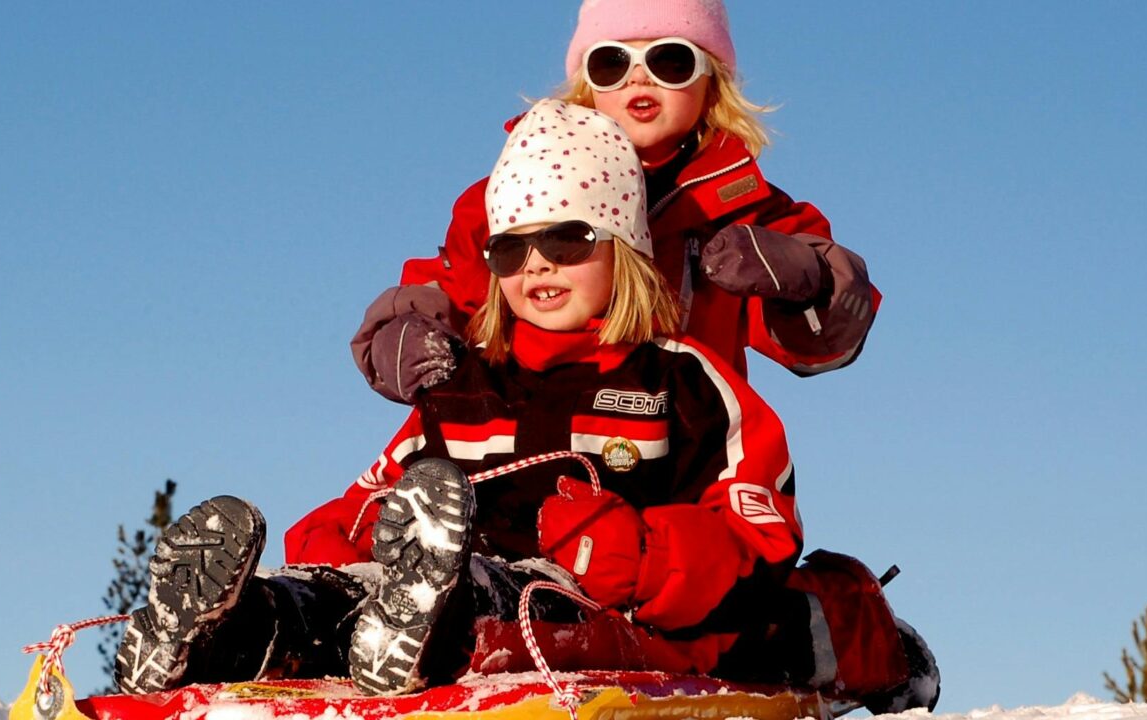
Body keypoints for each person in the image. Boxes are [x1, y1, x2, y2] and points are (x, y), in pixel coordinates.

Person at [114, 101, 936, 713]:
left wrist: (639, 553)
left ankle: (420, 618)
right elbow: (364, 499)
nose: (538, 263)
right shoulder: (466, 386)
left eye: (569, 239)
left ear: (624, 251)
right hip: (425, 586)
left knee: (502, 604)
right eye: (512, 247)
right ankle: (232, 628)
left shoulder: (683, 382)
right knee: (339, 597)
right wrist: (344, 542)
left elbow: (758, 543)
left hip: (587, 606)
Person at [353, 0, 880, 406]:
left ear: (711, 80)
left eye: (671, 59)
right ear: (587, 83)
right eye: (611, 62)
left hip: (683, 441)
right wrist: (405, 332)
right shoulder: (523, 189)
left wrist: (806, 280)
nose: (639, 76)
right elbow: (456, 284)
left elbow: (825, 344)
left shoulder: (744, 209)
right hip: (536, 427)